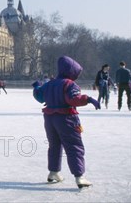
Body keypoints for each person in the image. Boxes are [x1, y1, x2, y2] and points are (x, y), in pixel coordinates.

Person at [32, 56, 100, 189]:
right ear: (71, 71)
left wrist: (36, 87)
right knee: (74, 146)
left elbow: (39, 97)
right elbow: (73, 99)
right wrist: (88, 99)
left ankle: (53, 173)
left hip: (50, 118)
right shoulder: (69, 84)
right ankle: (79, 177)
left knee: (54, 146)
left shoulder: (50, 83)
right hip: (66, 118)